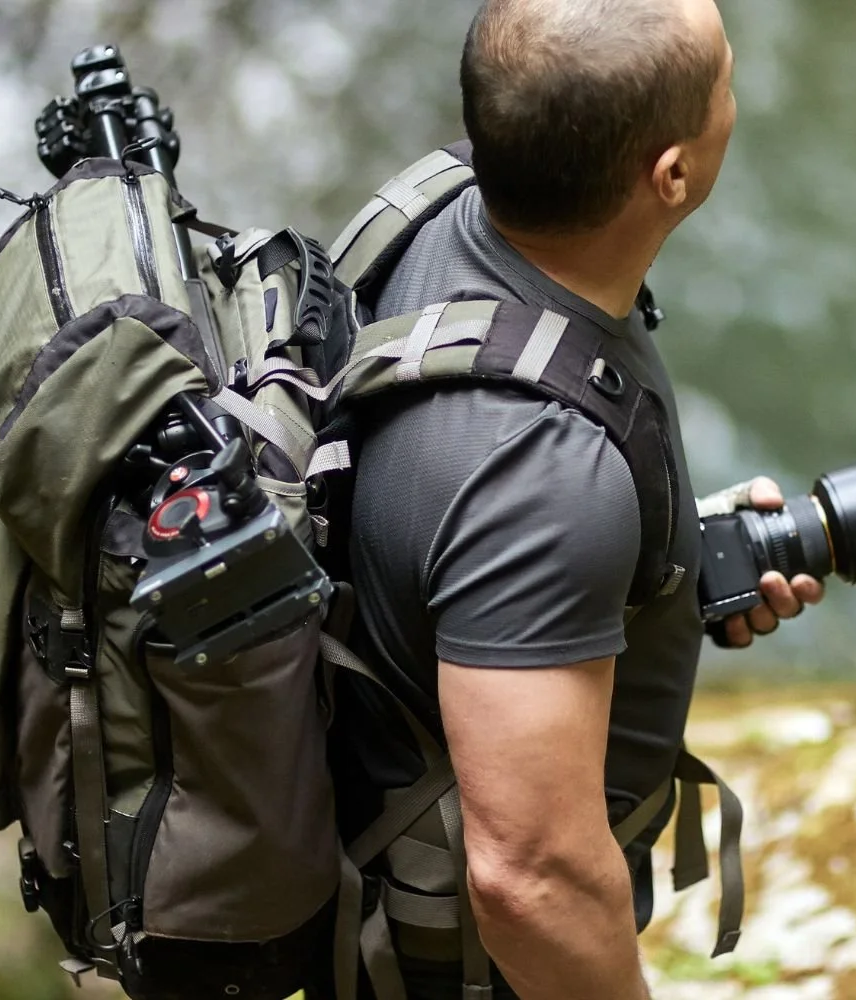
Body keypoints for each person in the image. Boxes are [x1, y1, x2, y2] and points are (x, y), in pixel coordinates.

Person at [334, 0, 822, 996]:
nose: (738, 93)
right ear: (671, 173)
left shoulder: (441, 214)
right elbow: (528, 881)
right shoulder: (544, 484)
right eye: (726, 76)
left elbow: (457, 532)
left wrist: (659, 563)